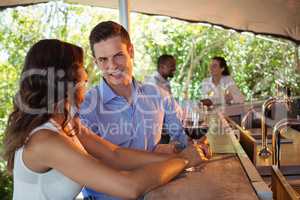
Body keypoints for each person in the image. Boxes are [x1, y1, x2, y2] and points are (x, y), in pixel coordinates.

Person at [2, 39, 208, 200]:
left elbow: (114, 154)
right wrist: (185, 160)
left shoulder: (66, 123)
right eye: (81, 67)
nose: (86, 76)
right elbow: (129, 186)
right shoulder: (45, 141)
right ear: (66, 78)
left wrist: (181, 155)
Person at [79, 21, 209, 199]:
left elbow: (185, 138)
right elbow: (93, 167)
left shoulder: (158, 95)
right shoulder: (86, 107)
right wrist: (153, 156)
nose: (112, 66)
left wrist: (182, 147)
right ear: (96, 62)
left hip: (157, 193)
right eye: (103, 59)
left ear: (131, 51)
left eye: (118, 55)